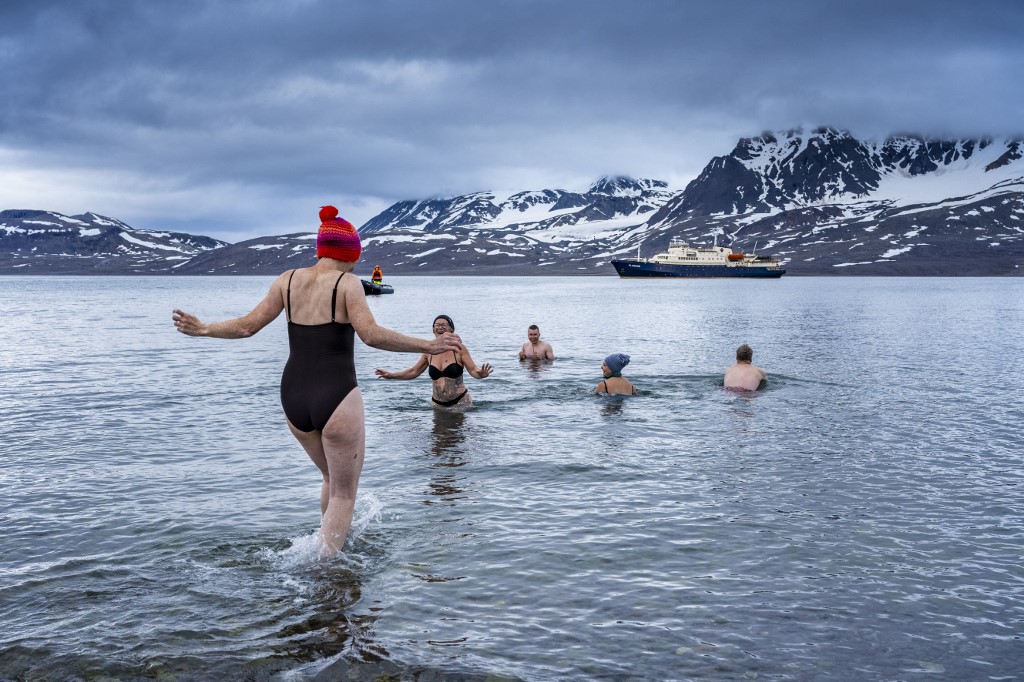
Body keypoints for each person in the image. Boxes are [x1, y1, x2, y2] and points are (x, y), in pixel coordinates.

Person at [172, 205, 463, 557]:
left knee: (329, 479)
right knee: (345, 493)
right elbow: (370, 335)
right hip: (337, 395)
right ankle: (324, 572)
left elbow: (248, 326)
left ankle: (328, 545)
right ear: (349, 255)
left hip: (293, 395)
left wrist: (204, 328)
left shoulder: (287, 279)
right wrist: (427, 344)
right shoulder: (348, 284)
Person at [375, 315, 493, 409]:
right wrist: (391, 376)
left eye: (444, 325)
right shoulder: (429, 352)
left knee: (456, 438)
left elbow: (473, 370)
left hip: (460, 403)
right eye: (437, 325)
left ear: (451, 329)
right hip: (437, 404)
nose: (440, 327)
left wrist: (481, 374)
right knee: (437, 438)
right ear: (433, 329)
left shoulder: (459, 349)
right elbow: (414, 371)